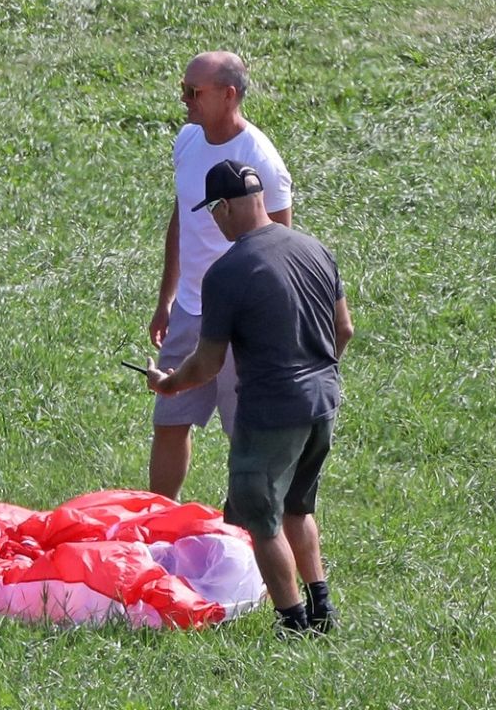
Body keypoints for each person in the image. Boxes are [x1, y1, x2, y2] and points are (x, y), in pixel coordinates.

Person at [146, 160, 354, 635]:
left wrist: (169, 384)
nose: (214, 221)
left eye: (212, 211)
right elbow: (344, 329)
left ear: (225, 208)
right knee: (298, 507)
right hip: (322, 401)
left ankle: (293, 622)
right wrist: (318, 372)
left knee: (261, 520)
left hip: (271, 410)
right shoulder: (315, 249)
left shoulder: (227, 272)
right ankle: (322, 607)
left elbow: (207, 364)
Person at [147, 51, 294, 500]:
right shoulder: (188, 140)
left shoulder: (260, 160)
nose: (184, 99)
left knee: (243, 431)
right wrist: (167, 297)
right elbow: (183, 219)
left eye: (194, 92)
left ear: (229, 95)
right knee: (169, 418)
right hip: (191, 308)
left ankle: (252, 523)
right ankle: (160, 519)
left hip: (241, 320)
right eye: (183, 89)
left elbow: (280, 246)